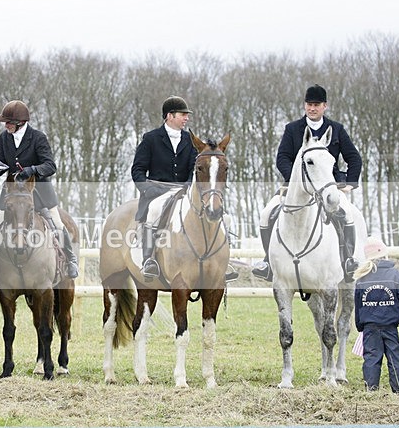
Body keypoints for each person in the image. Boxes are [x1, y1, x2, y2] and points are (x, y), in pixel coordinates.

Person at [253, 84, 363, 282]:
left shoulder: (336, 130)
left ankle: (348, 260)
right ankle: (269, 262)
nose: (312, 108)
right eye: (309, 104)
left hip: (328, 188)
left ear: (325, 106)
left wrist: (349, 183)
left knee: (346, 214)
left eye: (316, 105)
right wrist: (297, 180)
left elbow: (354, 157)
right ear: (305, 105)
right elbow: (282, 158)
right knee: (266, 214)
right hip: (295, 189)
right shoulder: (292, 129)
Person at [130, 96, 238, 281]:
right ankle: (149, 260)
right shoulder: (151, 139)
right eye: (183, 114)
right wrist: (148, 190)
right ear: (169, 116)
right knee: (154, 209)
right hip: (158, 191)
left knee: (223, 217)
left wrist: (188, 186)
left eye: (187, 115)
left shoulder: (191, 141)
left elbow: (194, 169)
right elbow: (137, 169)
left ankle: (222, 262)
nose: (186, 118)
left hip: (185, 191)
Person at [0, 100, 78, 287]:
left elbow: (50, 165)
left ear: (20, 123)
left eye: (8, 122)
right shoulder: (5, 138)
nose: (5, 125)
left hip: (38, 191)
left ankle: (70, 260)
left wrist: (32, 170)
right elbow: (2, 162)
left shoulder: (37, 138)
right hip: (12, 192)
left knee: (57, 222)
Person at [353, 237, 399, 394]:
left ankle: (371, 391)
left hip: (370, 327)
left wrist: (360, 326)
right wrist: (398, 313)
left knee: (371, 358)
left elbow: (358, 305)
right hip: (390, 325)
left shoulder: (361, 277)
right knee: (395, 358)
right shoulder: (395, 274)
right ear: (384, 255)